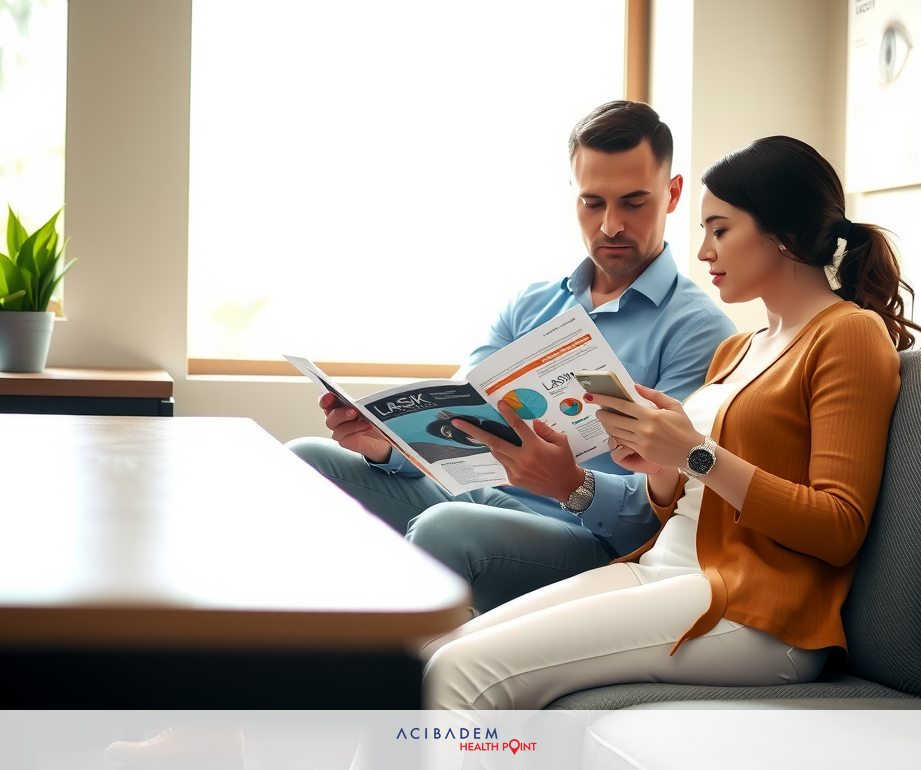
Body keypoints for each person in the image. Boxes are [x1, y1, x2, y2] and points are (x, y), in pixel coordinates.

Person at [421, 135, 921, 710]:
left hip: (754, 612)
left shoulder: (848, 333)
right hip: (663, 570)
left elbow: (839, 527)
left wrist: (694, 453)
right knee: (439, 650)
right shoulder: (738, 349)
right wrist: (659, 466)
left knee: (462, 673)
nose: (705, 251)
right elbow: (687, 505)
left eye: (720, 229)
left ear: (781, 233)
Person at [288, 101, 735, 614]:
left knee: (447, 528)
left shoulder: (700, 332)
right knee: (304, 460)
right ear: (572, 193)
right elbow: (452, 432)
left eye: (634, 203)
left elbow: (671, 508)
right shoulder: (532, 303)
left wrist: (572, 484)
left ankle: (390, 684)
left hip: (589, 540)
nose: (611, 225)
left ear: (672, 194)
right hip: (481, 499)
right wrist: (389, 445)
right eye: (592, 202)